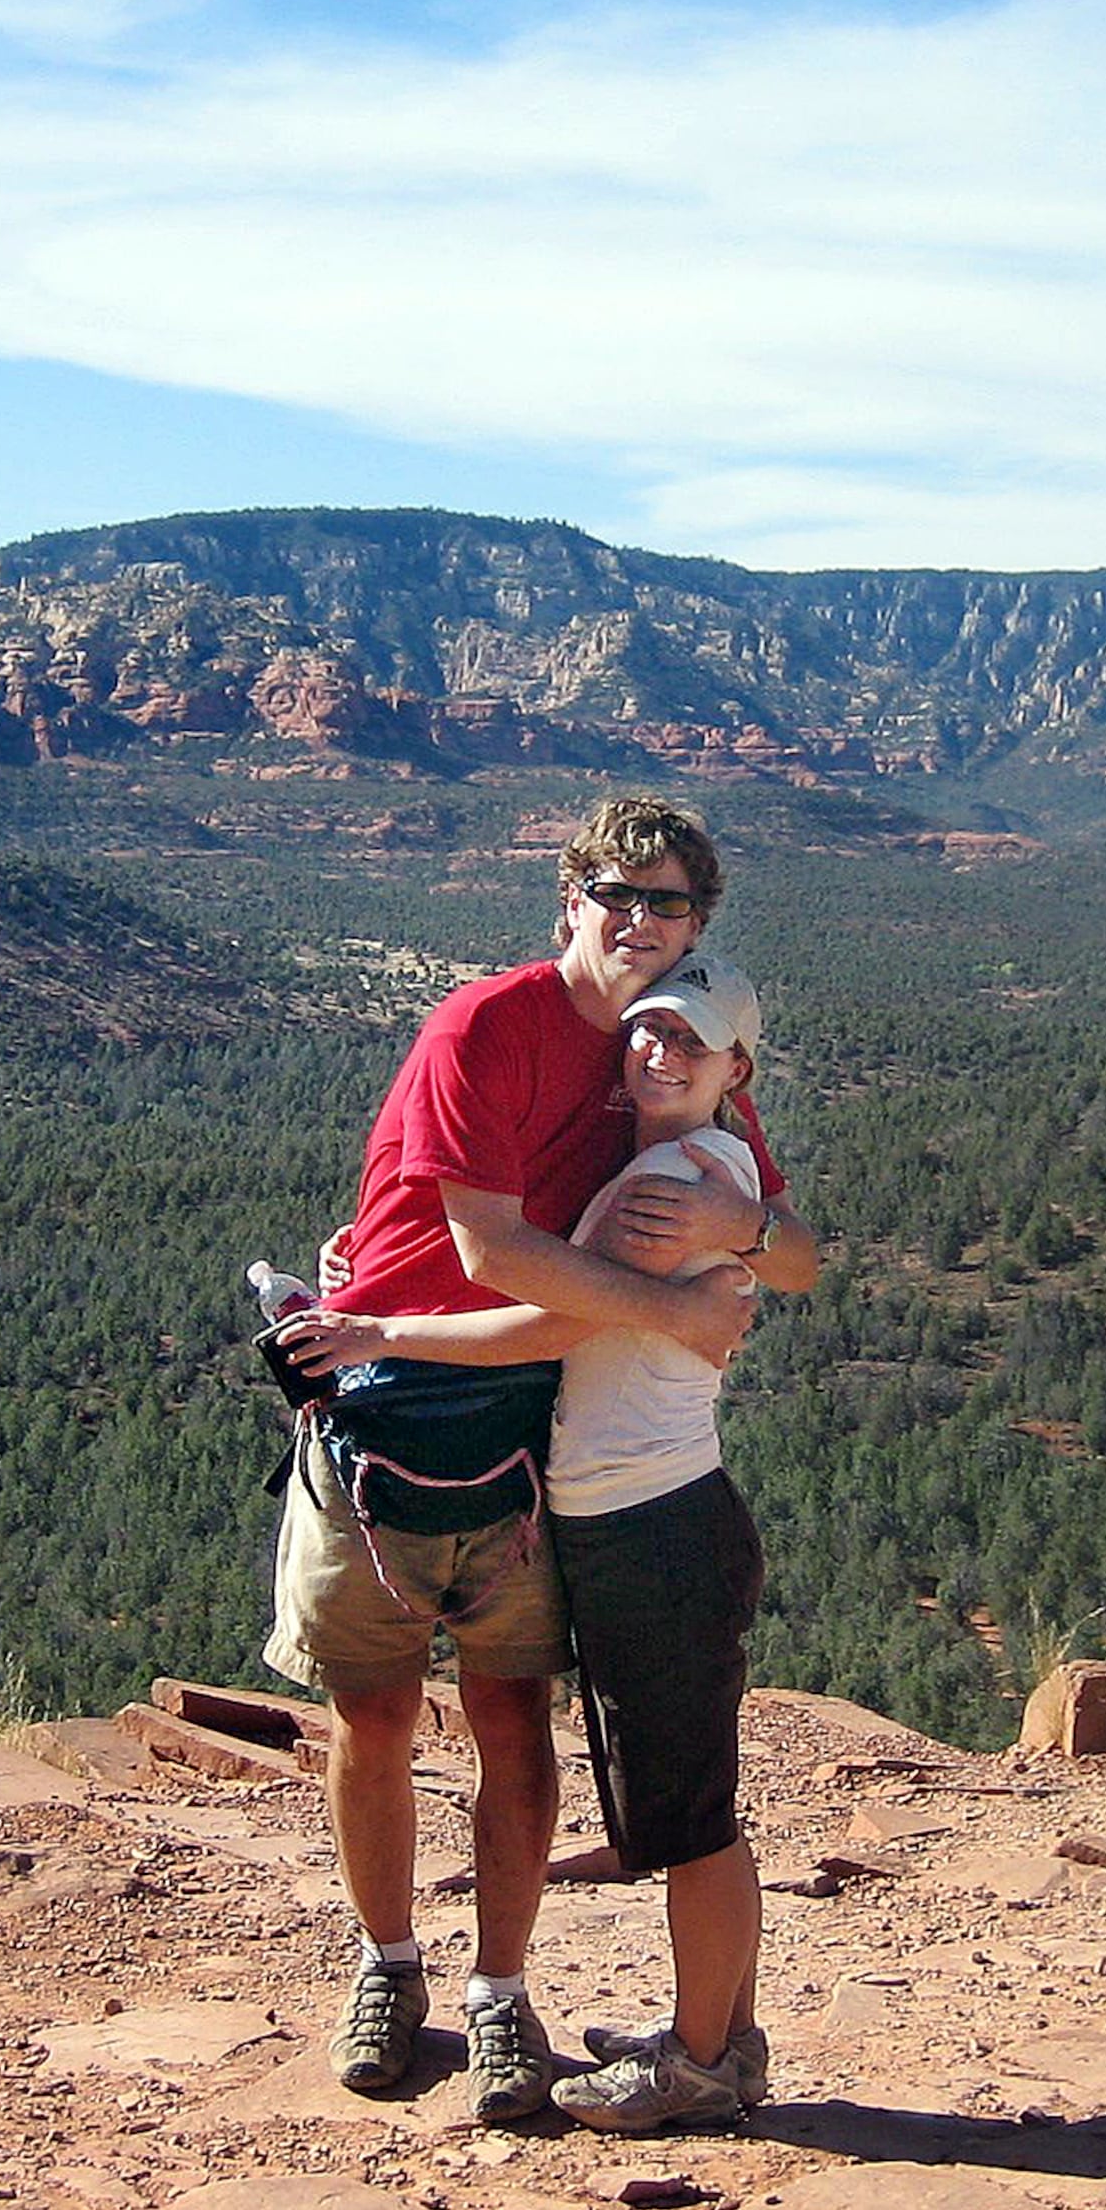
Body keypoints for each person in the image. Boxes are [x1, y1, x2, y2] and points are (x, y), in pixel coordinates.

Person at [256, 798, 814, 2126]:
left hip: (527, 1448)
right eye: (616, 894)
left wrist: (736, 1232)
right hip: (383, 1421)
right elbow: (490, 1252)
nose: (639, 923)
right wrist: (674, 1307)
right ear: (569, 900)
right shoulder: (488, 1028)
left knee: (514, 1727)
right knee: (374, 1718)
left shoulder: (669, 1062)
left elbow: (789, 1245)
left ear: (697, 926)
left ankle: (504, 1994)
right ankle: (389, 1967)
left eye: (667, 903)